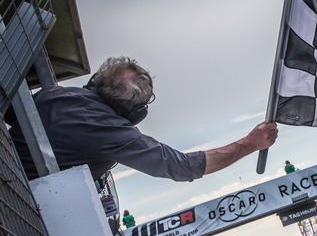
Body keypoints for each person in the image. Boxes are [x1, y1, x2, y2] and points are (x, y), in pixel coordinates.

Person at [9, 56, 278, 182]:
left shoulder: (54, 94)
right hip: (22, 203)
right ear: (136, 114)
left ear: (95, 82)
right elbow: (184, 166)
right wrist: (250, 143)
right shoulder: (113, 132)